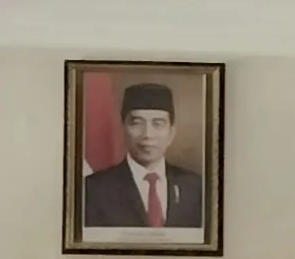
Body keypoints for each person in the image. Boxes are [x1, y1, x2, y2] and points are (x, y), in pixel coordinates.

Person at [79, 77, 204, 228]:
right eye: (137, 123)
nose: (147, 135)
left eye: (158, 124)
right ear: (123, 129)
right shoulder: (93, 189)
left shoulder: (195, 187)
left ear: (171, 133)